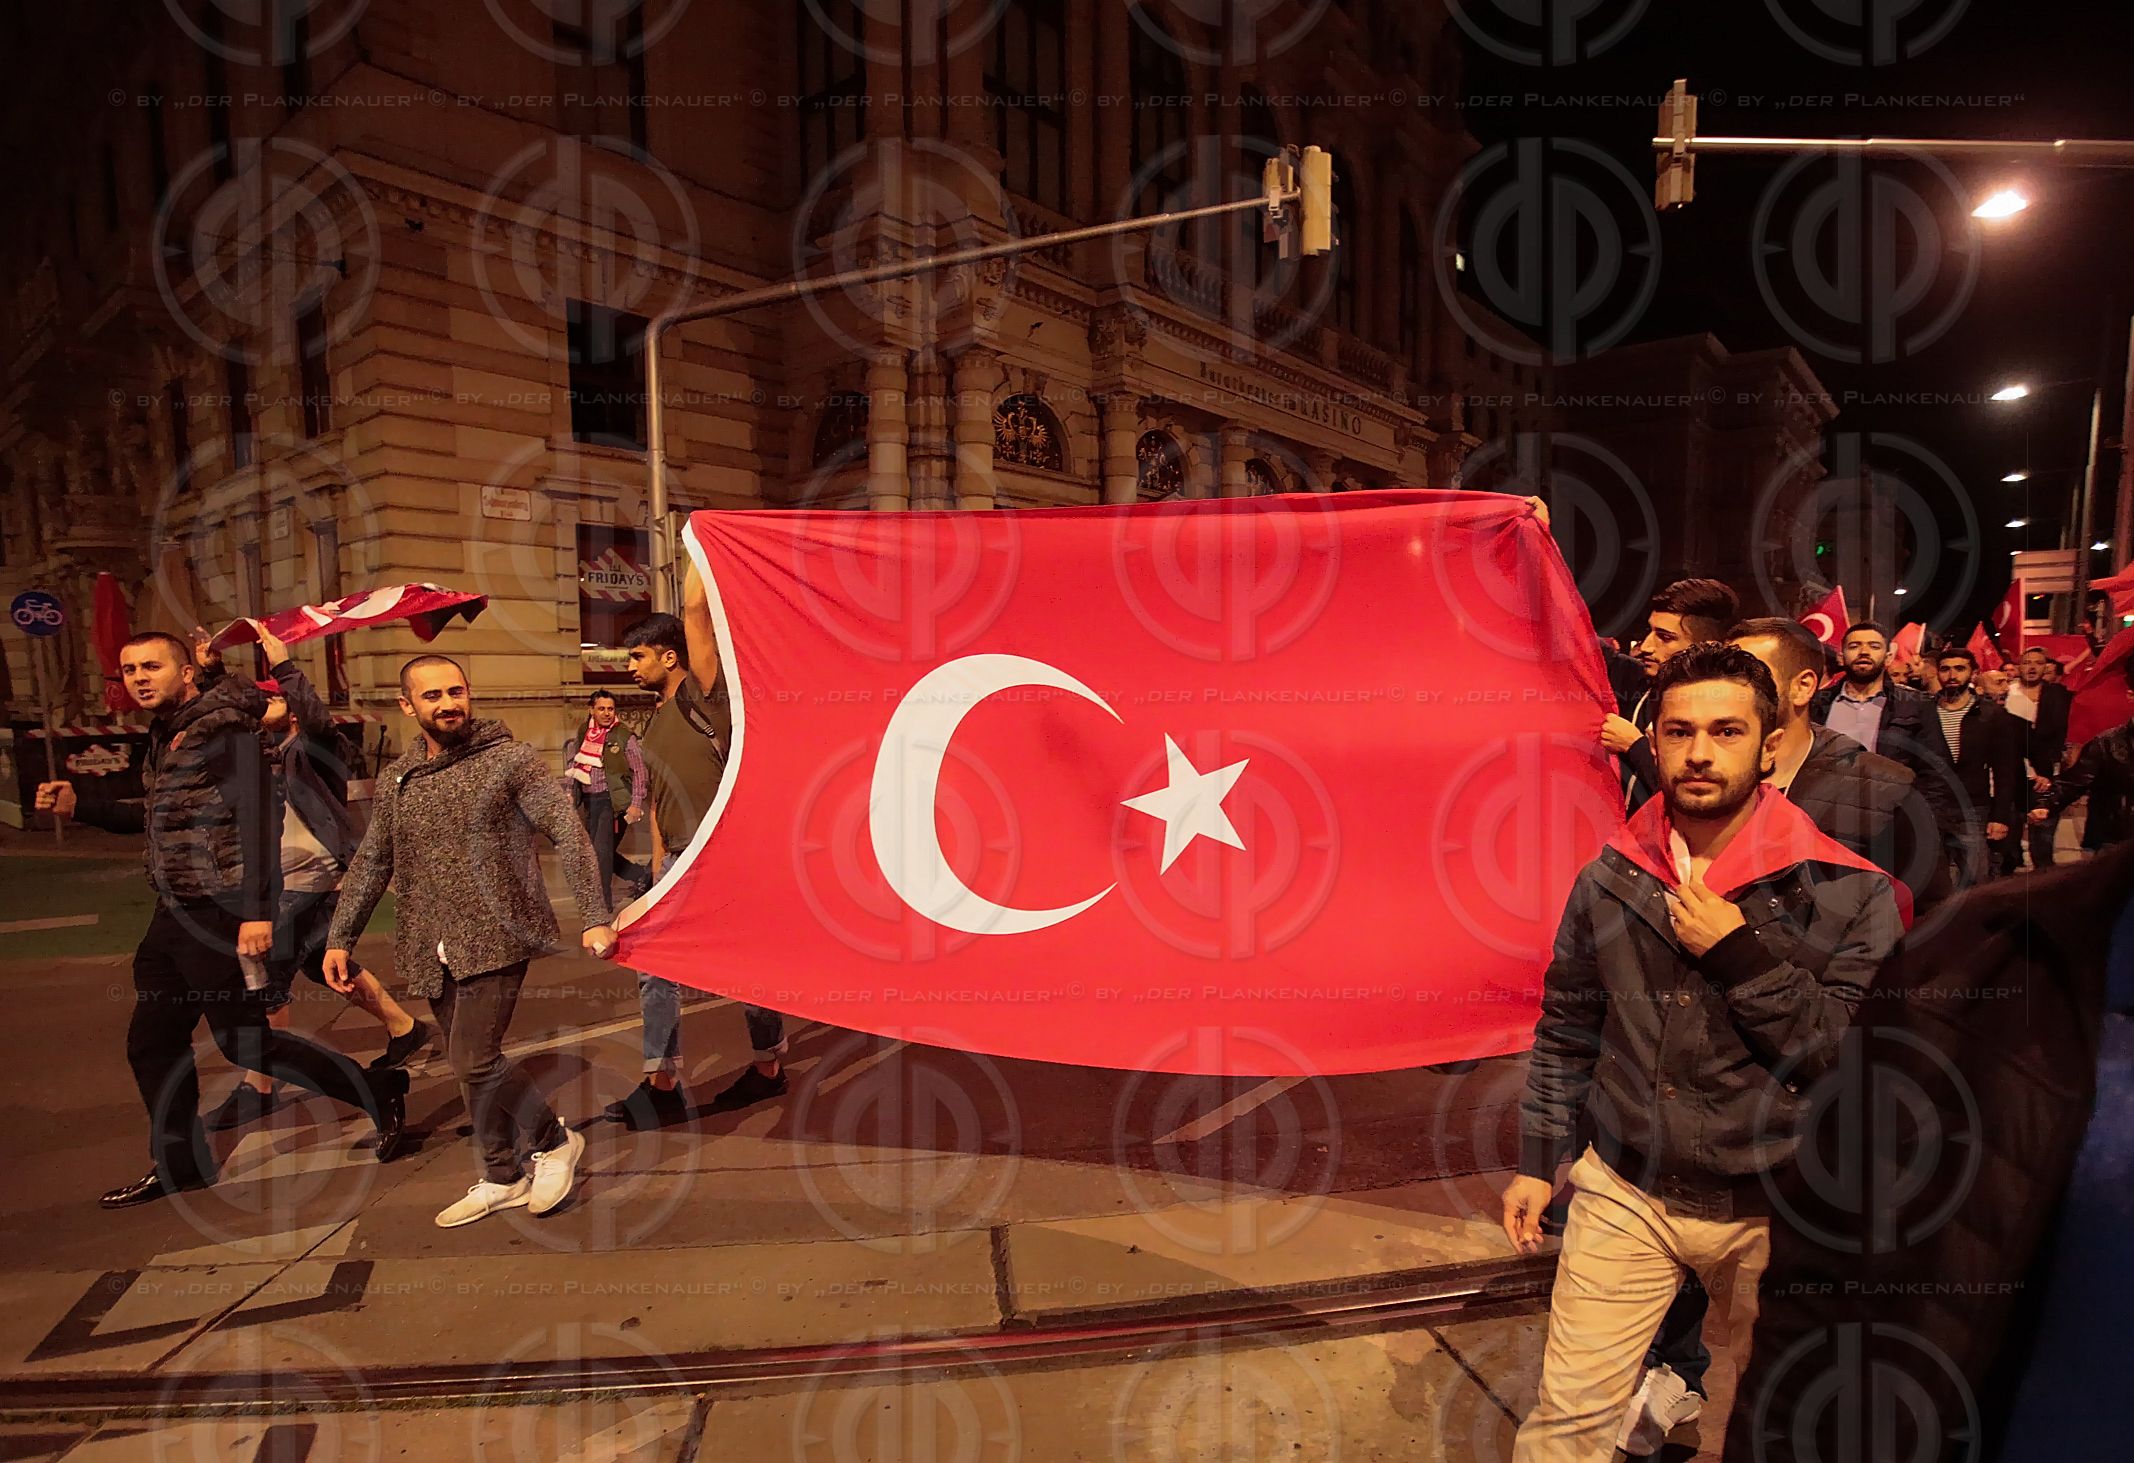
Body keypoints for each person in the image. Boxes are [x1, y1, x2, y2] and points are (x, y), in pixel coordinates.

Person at [1503, 644, 1905, 1462]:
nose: (1697, 752)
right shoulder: (1611, 877)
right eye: (1679, 731)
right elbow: (1569, 1026)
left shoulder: (1847, 890)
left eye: (1725, 730)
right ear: (1653, 744)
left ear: (1769, 745)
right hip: (1628, 1188)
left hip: (1779, 1205)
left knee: (1788, 1423)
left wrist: (1743, 957)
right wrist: (1540, 1157)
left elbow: (1852, 1063)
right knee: (1568, 1423)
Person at [1612, 618, 1949, 1453]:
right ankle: (1668, 1375)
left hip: (1788, 1130)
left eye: (1734, 715)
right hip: (1667, 1116)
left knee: (1754, 1360)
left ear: (1786, 703)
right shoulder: (1673, 798)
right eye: (1686, 724)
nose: (1707, 741)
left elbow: (1910, 960)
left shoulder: (1880, 793)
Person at [35, 630, 410, 1208]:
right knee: (152, 1043)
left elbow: (261, 814)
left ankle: (378, 1088)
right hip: (174, 910)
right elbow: (162, 816)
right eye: (129, 668)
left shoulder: (221, 728)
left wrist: (257, 912)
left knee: (245, 1043)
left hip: (221, 909)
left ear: (185, 672)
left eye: (152, 666)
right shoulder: (170, 730)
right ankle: (181, 1164)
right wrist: (79, 806)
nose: (138, 677)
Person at [323, 655, 616, 1229]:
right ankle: (501, 1175)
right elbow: (374, 859)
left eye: (455, 691)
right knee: (468, 1067)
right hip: (429, 939)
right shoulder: (400, 778)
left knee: (473, 1057)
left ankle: (554, 1141)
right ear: (408, 706)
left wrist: (594, 914)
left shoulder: (508, 761)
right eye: (431, 696)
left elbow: (567, 832)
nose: (448, 703)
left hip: (497, 932)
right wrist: (341, 935)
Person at [206, 626, 432, 1131]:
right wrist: (211, 673)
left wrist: (284, 665)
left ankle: (258, 1086)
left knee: (262, 978)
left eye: (270, 699)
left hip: (314, 879)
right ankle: (404, 1026)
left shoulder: (312, 750)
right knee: (321, 963)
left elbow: (316, 718)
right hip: (286, 882)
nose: (259, 707)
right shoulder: (255, 754)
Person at [613, 567, 789, 1128]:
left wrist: (700, 546)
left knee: (747, 968)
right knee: (656, 964)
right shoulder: (657, 719)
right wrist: (660, 859)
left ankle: (766, 1071)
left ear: (670, 656)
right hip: (678, 859)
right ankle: (661, 1081)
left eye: (638, 656)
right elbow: (662, 796)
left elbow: (697, 618)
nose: (630, 668)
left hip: (726, 858)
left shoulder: (702, 696)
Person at [1600, 579, 1741, 812]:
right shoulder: (1641, 684)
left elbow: (1700, 797)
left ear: (1706, 646)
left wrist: (1635, 747)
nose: (1646, 647)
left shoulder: (1730, 715)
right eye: (1650, 631)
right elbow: (1583, 644)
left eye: (1664, 637)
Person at [1911, 647, 2026, 890]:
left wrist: (2000, 816)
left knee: (1975, 880)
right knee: (1932, 881)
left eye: (1959, 668)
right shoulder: (1923, 712)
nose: (1952, 675)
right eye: (1945, 669)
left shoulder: (1991, 714)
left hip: (1973, 808)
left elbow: (2006, 769)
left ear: (1973, 673)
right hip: (1931, 808)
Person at [2032, 650, 2134, 851]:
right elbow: (2074, 782)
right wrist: (2047, 804)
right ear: (2131, 695)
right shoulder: (2108, 743)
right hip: (2116, 842)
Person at [562, 689, 649, 904]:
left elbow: (639, 771)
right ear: (591, 710)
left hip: (613, 802)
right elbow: (574, 764)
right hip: (589, 801)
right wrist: (568, 794)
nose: (607, 713)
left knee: (600, 853)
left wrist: (636, 803)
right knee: (596, 851)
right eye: (601, 708)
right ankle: (640, 875)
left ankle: (602, 903)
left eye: (610, 709)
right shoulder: (583, 733)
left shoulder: (623, 736)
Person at [2005, 646, 2074, 872]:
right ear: (2018, 667)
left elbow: (2063, 734)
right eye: (2026, 662)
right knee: (2009, 840)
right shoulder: (2005, 693)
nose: (2031, 667)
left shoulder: (2058, 695)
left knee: (2042, 839)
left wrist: (2049, 771)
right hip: (2012, 775)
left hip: (2044, 775)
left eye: (2037, 662)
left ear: (2045, 667)